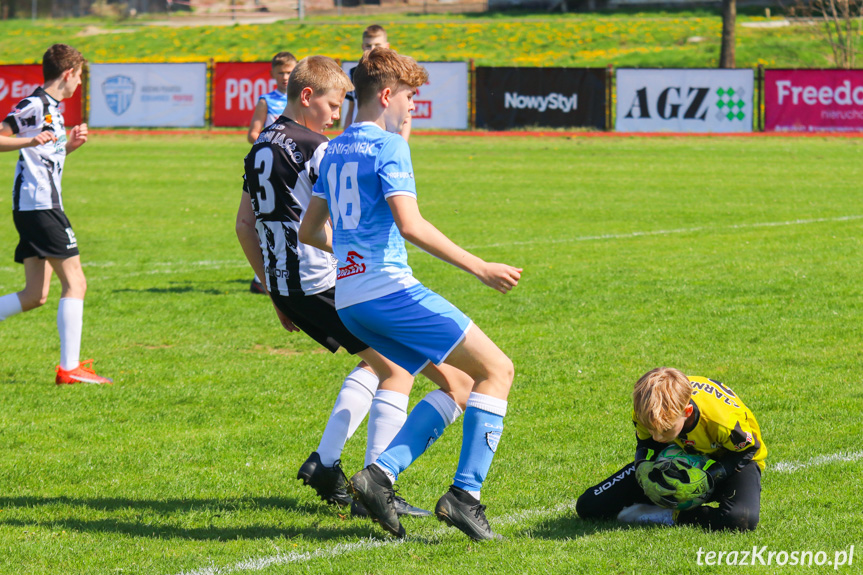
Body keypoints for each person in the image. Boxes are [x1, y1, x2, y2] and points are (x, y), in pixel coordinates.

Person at [299, 47, 522, 541]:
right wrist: (479, 266)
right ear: (386, 95)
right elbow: (411, 224)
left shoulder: (332, 149)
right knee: (498, 370)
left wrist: (351, 256)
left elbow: (310, 230)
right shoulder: (389, 146)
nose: (414, 105)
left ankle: (379, 477)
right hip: (389, 293)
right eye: (410, 96)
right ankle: (465, 496)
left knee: (460, 385)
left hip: (352, 302)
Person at [235, 55, 472, 518]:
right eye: (332, 102)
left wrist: (273, 290)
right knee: (401, 371)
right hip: (324, 279)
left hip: (289, 284)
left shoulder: (260, 145)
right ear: (307, 97)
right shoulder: (319, 148)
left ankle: (327, 464)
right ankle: (375, 488)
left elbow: (245, 225)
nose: (337, 112)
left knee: (377, 365)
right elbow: (343, 222)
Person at [0, 44, 112, 385]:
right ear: (68, 73)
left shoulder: (54, 109)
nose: (80, 83)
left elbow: (46, 154)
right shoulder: (35, 104)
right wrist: (29, 141)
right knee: (76, 282)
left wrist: (68, 147)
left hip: (35, 205)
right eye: (79, 76)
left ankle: (70, 368)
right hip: (41, 205)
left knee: (36, 295)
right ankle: (69, 369)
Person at [576, 367, 766, 531]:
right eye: (651, 429)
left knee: (741, 519)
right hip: (677, 457)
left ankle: (669, 516)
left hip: (730, 460)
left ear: (687, 412)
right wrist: (642, 463)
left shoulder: (722, 422)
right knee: (588, 506)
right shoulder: (646, 410)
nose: (657, 437)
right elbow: (647, 443)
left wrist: (713, 473)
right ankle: (664, 496)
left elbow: (748, 450)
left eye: (665, 429)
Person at [246, 51, 297, 295]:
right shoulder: (267, 100)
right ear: (272, 74)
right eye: (281, 73)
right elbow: (253, 132)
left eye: (290, 72)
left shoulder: (302, 99)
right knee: (270, 219)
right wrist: (270, 144)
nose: (286, 77)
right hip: (273, 168)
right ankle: (261, 276)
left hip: (297, 167)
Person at [343, 25, 411, 141]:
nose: (372, 49)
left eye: (377, 45)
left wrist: (403, 142)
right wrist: (346, 137)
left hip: (386, 136)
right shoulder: (353, 74)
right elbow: (351, 110)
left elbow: (407, 113)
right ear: (362, 46)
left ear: (386, 46)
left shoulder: (396, 74)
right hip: (360, 135)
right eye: (368, 45)